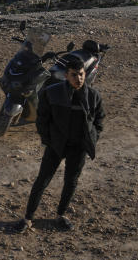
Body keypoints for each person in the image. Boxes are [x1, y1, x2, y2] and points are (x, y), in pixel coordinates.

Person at [17, 57, 104, 232]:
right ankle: (28, 218)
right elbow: (42, 119)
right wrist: (48, 140)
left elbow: (99, 120)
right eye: (74, 75)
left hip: (78, 147)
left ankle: (61, 215)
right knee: (42, 180)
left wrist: (92, 138)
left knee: (71, 181)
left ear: (84, 73)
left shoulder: (93, 96)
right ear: (66, 75)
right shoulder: (52, 93)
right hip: (56, 145)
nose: (78, 79)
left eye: (81, 74)